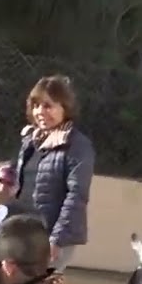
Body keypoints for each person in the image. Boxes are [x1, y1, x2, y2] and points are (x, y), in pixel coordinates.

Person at [14, 75, 94, 273]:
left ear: (65, 108)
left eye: (48, 106)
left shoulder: (77, 145)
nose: (40, 112)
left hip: (51, 237)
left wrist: (56, 239)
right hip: (23, 232)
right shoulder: (30, 140)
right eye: (36, 105)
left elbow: (76, 195)